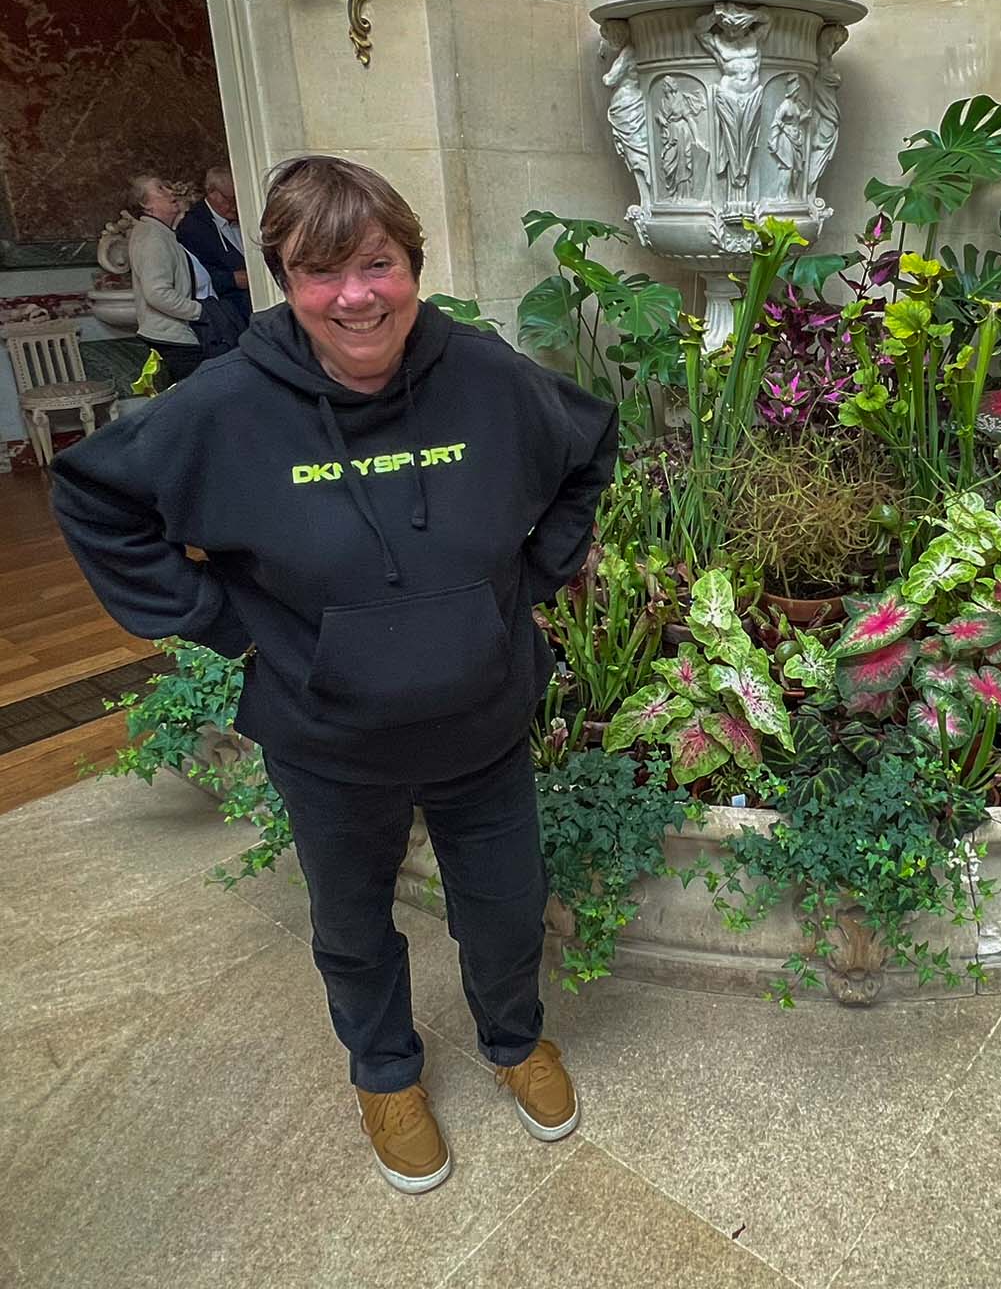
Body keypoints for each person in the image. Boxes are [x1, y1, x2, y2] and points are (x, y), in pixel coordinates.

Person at [50, 156, 618, 1195]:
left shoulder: (482, 374)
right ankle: (385, 1073)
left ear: (413, 266)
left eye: (377, 264)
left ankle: (513, 1039)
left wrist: (533, 576)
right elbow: (95, 497)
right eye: (321, 272)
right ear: (285, 280)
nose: (356, 296)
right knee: (353, 928)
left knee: (506, 908)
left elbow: (588, 443)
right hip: (328, 738)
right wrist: (222, 623)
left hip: (482, 719)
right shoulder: (228, 404)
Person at [126, 174, 211, 385]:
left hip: (173, 334)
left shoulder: (159, 232)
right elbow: (157, 293)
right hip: (172, 338)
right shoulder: (152, 237)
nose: (171, 191)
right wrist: (199, 311)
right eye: (160, 189)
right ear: (146, 205)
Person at [178, 164, 253, 323]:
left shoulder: (248, 215)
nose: (236, 206)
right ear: (212, 193)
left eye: (239, 198)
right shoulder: (192, 227)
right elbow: (189, 275)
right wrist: (232, 280)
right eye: (229, 199)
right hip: (228, 313)